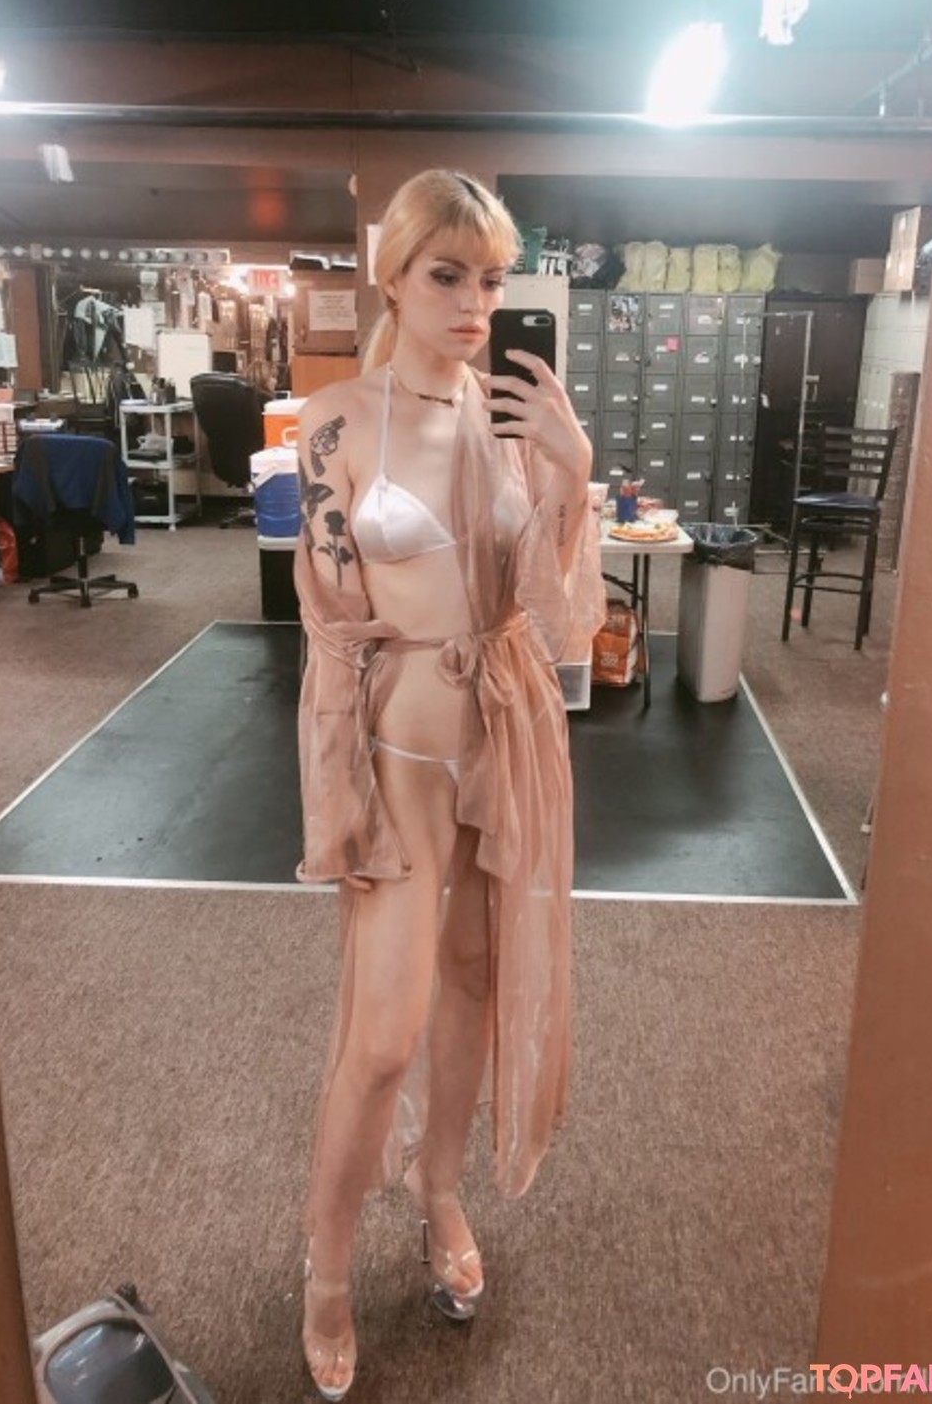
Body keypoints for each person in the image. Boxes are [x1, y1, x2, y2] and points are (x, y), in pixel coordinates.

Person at [294, 169, 603, 1400]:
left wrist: (571, 478)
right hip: (398, 760)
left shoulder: (514, 421)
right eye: (447, 275)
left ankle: (439, 1190)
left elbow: (558, 620)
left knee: (476, 982)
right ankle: (324, 1265)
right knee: (381, 1038)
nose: (474, 302)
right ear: (395, 277)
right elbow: (330, 636)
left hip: (504, 738)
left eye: (490, 279)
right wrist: (339, 799)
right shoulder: (335, 425)